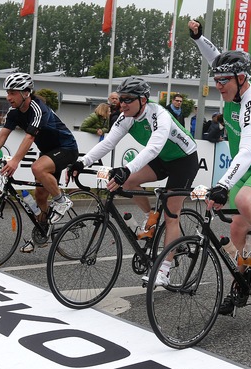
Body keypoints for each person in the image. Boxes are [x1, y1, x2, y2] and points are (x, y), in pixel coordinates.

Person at [188, 19, 251, 316]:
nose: (217, 86)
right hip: (249, 167)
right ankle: (244, 275)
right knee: (236, 228)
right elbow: (216, 59)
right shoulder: (232, 84)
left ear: (242, 79)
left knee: (246, 201)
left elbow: (246, 151)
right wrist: (198, 38)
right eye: (216, 81)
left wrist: (223, 184)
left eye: (223, 82)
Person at [66, 76, 199, 286]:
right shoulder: (126, 116)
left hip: (183, 160)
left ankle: (164, 270)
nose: (122, 104)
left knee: (171, 213)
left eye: (128, 99)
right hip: (162, 159)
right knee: (128, 184)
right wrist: (82, 162)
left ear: (143, 100)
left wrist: (126, 169)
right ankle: (150, 219)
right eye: (121, 99)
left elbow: (153, 147)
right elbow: (108, 142)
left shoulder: (160, 115)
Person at [0, 72, 78, 252]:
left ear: (26, 92)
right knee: (40, 196)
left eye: (13, 93)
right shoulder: (14, 112)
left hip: (67, 148)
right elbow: (2, 135)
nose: (8, 97)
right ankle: (42, 233)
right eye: (7, 93)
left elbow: (30, 137)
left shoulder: (39, 109)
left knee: (37, 168)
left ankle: (62, 200)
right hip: (48, 152)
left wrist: (15, 160)